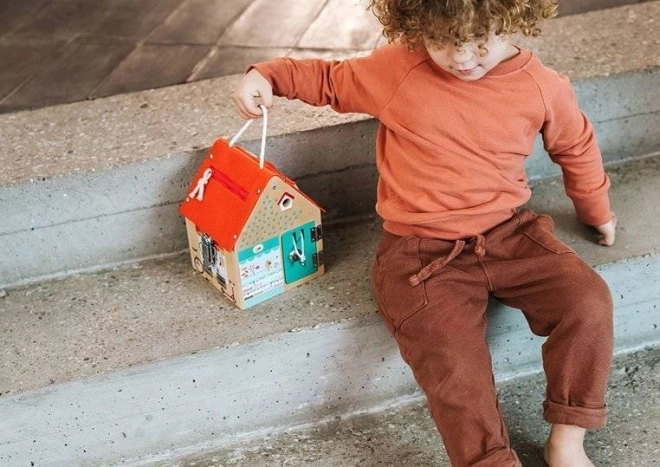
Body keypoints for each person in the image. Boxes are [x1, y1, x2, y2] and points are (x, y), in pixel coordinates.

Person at [232, 1, 616, 465]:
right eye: (443, 42)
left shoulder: (541, 86)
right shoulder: (399, 69)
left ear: (514, 22)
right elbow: (329, 81)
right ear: (417, 29)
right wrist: (266, 76)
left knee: (588, 301)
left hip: (509, 234)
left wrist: (596, 209)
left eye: (480, 40)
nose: (463, 58)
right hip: (420, 253)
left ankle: (568, 440)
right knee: (453, 363)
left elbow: (575, 146)